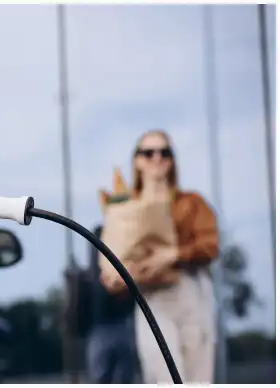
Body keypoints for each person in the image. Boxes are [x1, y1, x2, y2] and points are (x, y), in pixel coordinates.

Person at [107, 129, 219, 384]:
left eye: (164, 152)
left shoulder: (191, 203)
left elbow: (210, 246)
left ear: (172, 160)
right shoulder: (124, 210)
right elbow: (115, 263)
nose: (157, 158)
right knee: (164, 376)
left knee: (197, 378)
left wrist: (174, 254)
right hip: (151, 299)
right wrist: (117, 279)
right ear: (137, 160)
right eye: (148, 152)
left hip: (190, 292)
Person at [84, 225, 140, 384]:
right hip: (101, 326)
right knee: (103, 376)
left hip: (119, 324)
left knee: (122, 376)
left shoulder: (122, 272)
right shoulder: (91, 276)